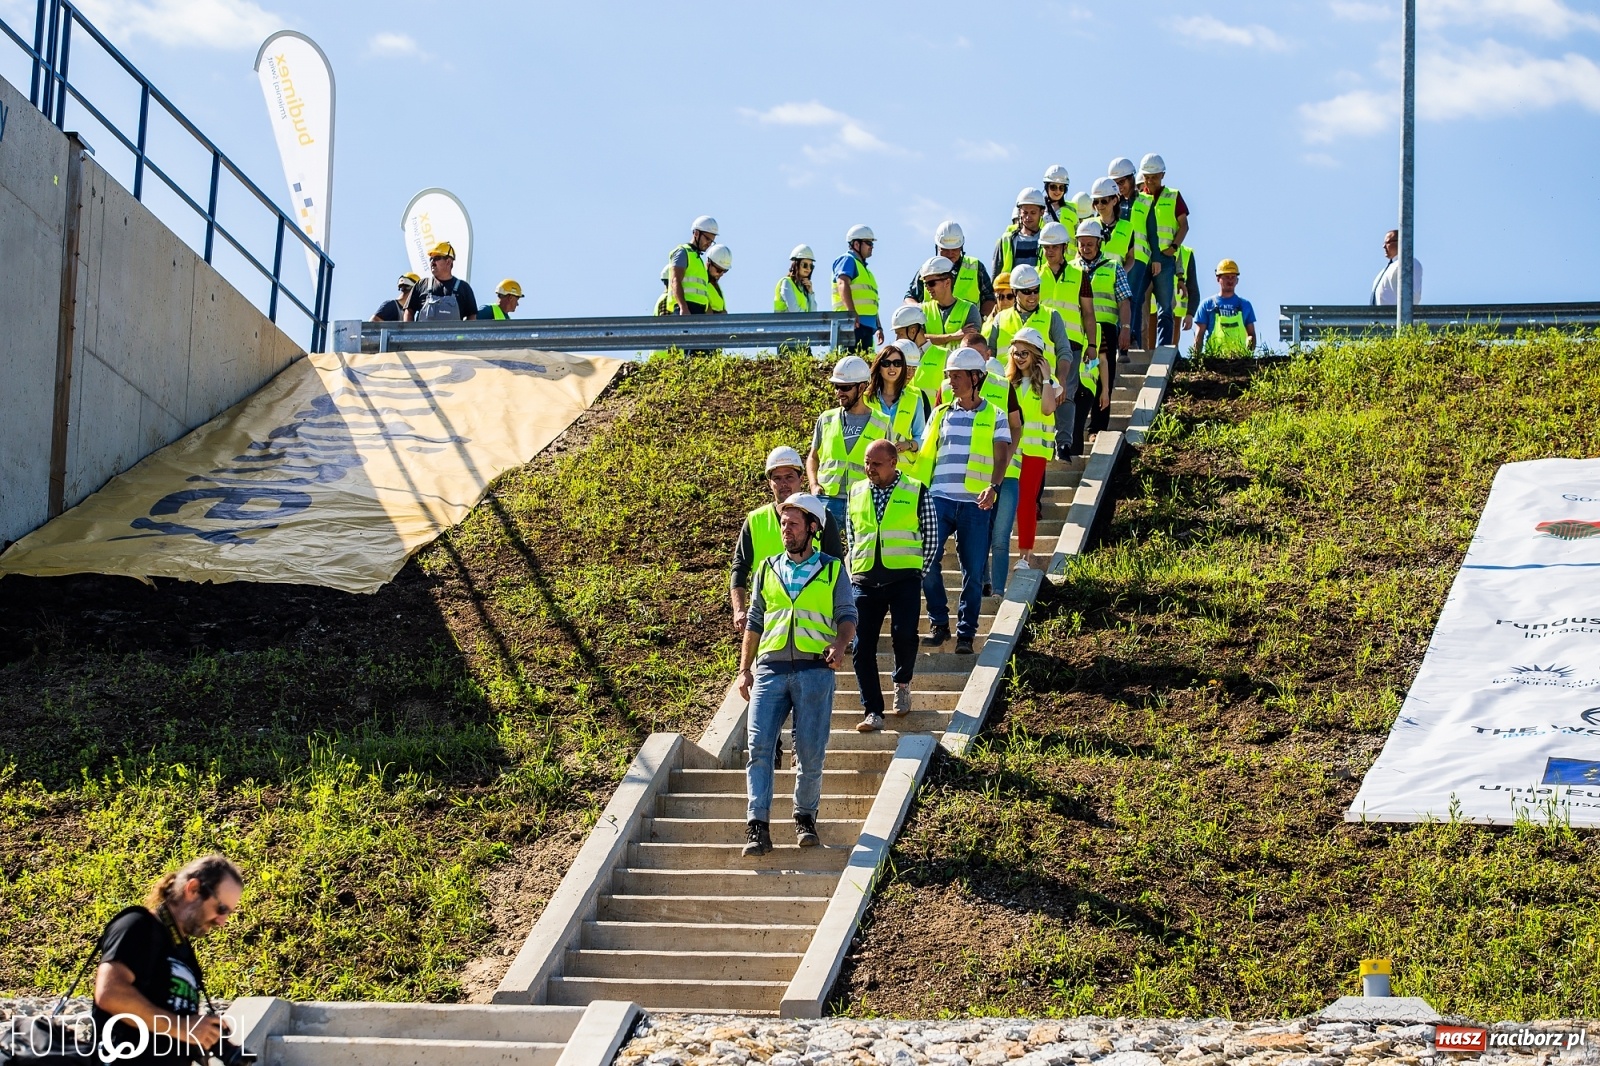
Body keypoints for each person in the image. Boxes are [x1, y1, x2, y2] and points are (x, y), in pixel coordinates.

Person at [738, 492, 858, 855]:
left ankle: (805, 818)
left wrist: (839, 645)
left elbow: (848, 616)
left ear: (812, 527)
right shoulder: (767, 569)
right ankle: (757, 826)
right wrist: (745, 669)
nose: (785, 529)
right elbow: (755, 621)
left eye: (792, 523)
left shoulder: (833, 569)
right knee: (759, 748)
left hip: (814, 672)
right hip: (770, 671)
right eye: (782, 523)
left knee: (810, 752)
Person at [92, 855, 243, 1063]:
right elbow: (110, 993)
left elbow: (171, 1027)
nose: (222, 921)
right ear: (193, 889)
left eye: (228, 913)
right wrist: (183, 1028)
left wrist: (204, 1033)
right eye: (221, 909)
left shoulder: (183, 952)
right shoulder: (138, 925)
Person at [912, 347, 1014, 654]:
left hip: (974, 503)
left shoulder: (994, 414)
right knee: (926, 561)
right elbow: (925, 452)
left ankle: (966, 633)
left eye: (956, 376)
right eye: (949, 376)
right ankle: (940, 624)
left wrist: (994, 487)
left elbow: (1002, 455)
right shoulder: (940, 413)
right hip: (938, 499)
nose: (951, 382)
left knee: (973, 569)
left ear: (975, 377)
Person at [846, 439, 939, 732]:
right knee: (862, 647)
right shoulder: (856, 491)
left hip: (903, 579)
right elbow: (852, 533)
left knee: (905, 636)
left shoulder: (915, 489)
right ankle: (873, 710)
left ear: (893, 462)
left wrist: (919, 573)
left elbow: (931, 534)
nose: (869, 468)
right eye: (867, 462)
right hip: (864, 581)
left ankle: (902, 682)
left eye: (876, 463)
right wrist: (854, 571)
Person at [731, 446, 846, 634]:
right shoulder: (755, 520)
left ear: (801, 479)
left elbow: (837, 567)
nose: (784, 484)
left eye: (789, 477)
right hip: (769, 628)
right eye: (777, 478)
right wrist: (739, 610)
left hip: (814, 628)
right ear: (769, 483)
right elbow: (739, 567)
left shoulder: (822, 516)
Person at [1070, 218, 1131, 454]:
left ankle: (1097, 427)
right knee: (1078, 380)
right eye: (1082, 244)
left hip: (1105, 328)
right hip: (1078, 330)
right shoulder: (1071, 269)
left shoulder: (1113, 266)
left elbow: (1124, 299)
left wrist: (1125, 327)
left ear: (1099, 243)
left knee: (1103, 379)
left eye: (1090, 244)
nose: (1085, 248)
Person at [1006, 329, 1064, 572]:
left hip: (1034, 451)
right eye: (1015, 352)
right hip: (1010, 450)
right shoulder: (1008, 382)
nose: (1019, 357)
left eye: (1025, 353)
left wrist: (1048, 377)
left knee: (1026, 503)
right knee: (1006, 503)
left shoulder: (1050, 385)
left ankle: (1025, 556)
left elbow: (1049, 409)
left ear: (1036, 355)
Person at [1036, 221, 1096, 459]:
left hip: (1071, 343)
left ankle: (1063, 443)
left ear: (1064, 248)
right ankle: (1044, 443)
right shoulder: (1035, 276)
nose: (1050, 251)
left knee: (1066, 393)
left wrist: (1091, 345)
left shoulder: (1080, 275)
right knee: (1040, 393)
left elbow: (1088, 313)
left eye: (1054, 247)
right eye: (1046, 247)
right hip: (1040, 344)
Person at [808, 354, 887, 529]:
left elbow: (889, 465)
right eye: (836, 387)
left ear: (862, 387)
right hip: (827, 499)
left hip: (863, 499)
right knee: (824, 554)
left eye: (845, 388)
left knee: (859, 554)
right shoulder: (826, 419)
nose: (839, 393)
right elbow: (813, 457)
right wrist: (813, 485)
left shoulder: (882, 423)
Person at [1133, 153, 1190, 350]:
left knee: (1165, 308)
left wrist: (1173, 248)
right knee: (1139, 306)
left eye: (1154, 176)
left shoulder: (1173, 196)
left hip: (1165, 260)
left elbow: (1184, 226)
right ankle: (1140, 349)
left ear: (1162, 175)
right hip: (1143, 260)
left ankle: (1163, 350)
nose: (1150, 181)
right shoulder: (1139, 199)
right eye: (1147, 177)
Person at [909, 257, 986, 401]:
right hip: (930, 376)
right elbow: (918, 341)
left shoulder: (970, 310)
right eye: (925, 284)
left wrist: (930, 338)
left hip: (959, 377)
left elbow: (971, 344)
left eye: (931, 283)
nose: (928, 288)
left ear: (947, 282)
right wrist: (953, 336)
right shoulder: (921, 311)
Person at [985, 263, 1071, 374]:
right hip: (1008, 387)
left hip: (1042, 386)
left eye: (1036, 290)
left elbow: (1064, 352)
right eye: (1026, 292)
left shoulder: (1052, 316)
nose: (1033, 296)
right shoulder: (1000, 319)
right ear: (1014, 291)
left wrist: (1062, 381)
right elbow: (990, 355)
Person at [903, 221, 996, 318]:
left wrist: (981, 320)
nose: (950, 253)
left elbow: (989, 297)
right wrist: (918, 312)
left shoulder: (975, 266)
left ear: (961, 247)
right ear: (938, 248)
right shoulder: (928, 269)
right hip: (933, 329)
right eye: (945, 250)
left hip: (969, 329)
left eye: (955, 249)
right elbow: (909, 298)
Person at [868, 338, 927, 455]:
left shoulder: (915, 399)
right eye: (886, 363)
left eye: (897, 364)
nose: (892, 368)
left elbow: (922, 437)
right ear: (879, 367)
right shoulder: (865, 398)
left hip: (901, 468)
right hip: (870, 465)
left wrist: (908, 445)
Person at [1193, 259, 1258, 355]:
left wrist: (1248, 356)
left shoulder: (1245, 305)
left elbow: (1251, 334)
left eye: (1233, 277)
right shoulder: (1207, 305)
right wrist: (1196, 359)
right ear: (1218, 279)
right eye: (1227, 277)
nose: (1230, 280)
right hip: (1213, 360)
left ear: (1237, 280)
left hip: (1240, 361)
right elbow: (1199, 335)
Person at [833, 224, 881, 350]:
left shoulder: (866, 271)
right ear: (856, 244)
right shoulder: (847, 260)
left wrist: (878, 326)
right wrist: (851, 313)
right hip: (853, 324)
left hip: (866, 326)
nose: (872, 247)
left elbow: (872, 301)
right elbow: (842, 283)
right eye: (868, 243)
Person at [404, 242, 477, 321]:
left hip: (453, 334)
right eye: (431, 259)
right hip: (425, 334)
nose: (432, 262)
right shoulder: (421, 285)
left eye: (436, 258)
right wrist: (410, 332)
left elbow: (472, 316)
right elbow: (409, 311)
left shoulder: (464, 288)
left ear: (448, 262)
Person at [667, 216, 718, 315]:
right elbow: (675, 280)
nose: (709, 243)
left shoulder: (698, 260)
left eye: (711, 241)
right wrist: (683, 307)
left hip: (699, 312)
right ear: (696, 233)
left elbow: (703, 295)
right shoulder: (683, 252)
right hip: (686, 310)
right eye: (707, 238)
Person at [993, 187, 1048, 279]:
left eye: (1033, 213)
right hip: (1012, 291)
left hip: (1038, 291)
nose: (1028, 217)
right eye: (1025, 212)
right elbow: (996, 272)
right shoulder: (1007, 240)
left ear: (1042, 212)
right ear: (1019, 212)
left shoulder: (1047, 239)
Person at [1371, 229, 1423, 306]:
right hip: (1379, 316)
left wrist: (1405, 314)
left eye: (1388, 242)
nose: (1384, 246)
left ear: (1400, 241)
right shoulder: (1386, 270)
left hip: (1396, 316)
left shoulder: (1408, 263)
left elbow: (1414, 295)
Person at [775, 244, 817, 312]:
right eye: (804, 265)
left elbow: (814, 314)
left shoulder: (803, 289)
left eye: (811, 266)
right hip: (785, 322)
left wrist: (810, 293)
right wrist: (807, 318)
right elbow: (794, 310)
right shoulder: (786, 282)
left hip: (800, 322)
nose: (808, 269)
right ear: (796, 265)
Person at [1042, 164, 1076, 231]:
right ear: (1047, 187)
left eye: (1061, 188)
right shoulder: (1038, 207)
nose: (1057, 191)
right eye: (1053, 187)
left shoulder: (1073, 209)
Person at [706, 244, 732, 312]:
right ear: (709, 263)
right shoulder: (701, 282)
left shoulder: (716, 287)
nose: (721, 274)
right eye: (719, 270)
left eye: (725, 271)